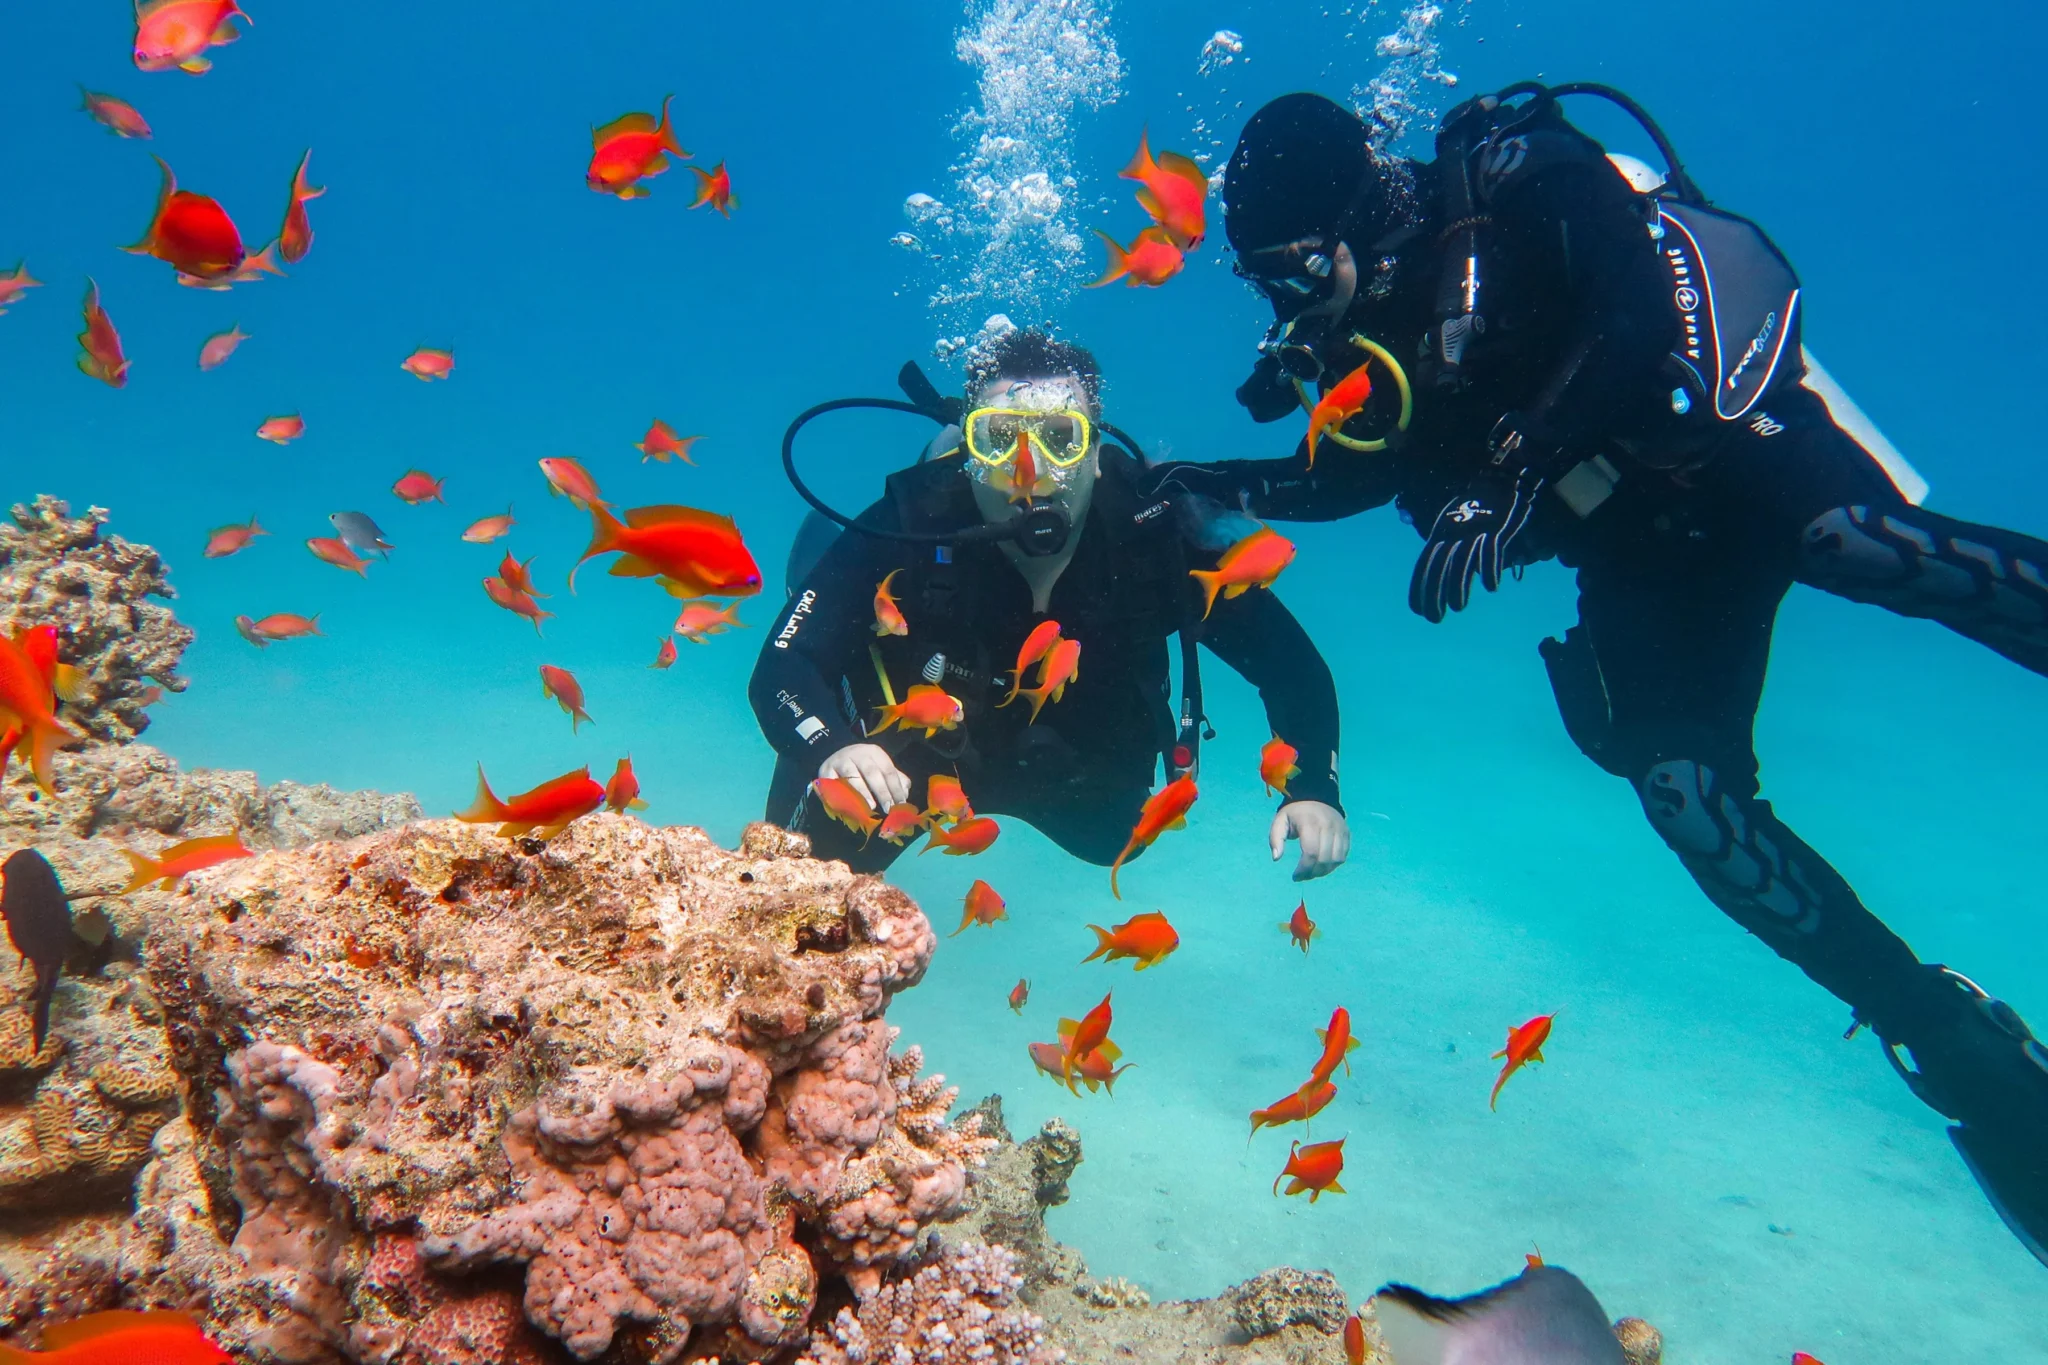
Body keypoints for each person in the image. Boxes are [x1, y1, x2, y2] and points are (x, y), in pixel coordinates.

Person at [1147, 85, 2048, 1263]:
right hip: (1635, 555)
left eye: (1296, 269)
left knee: (1860, 548)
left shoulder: (1513, 171)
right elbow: (1367, 474)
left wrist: (1519, 466)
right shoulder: (1362, 341)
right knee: (1686, 795)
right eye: (1263, 279)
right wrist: (1217, 480)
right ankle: (1951, 1044)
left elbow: (1629, 311)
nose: (1285, 301)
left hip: (1726, 453)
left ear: (1361, 213)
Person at [750, 328, 1351, 882]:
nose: (1028, 470)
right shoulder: (915, 519)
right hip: (917, 757)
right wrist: (830, 745)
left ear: (1094, 454)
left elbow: (1291, 666)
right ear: (968, 453)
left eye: (1061, 440)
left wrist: (1315, 788)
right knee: (804, 876)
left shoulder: (1155, 541)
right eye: (999, 438)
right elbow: (787, 663)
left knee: (1120, 839)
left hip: (1084, 766)